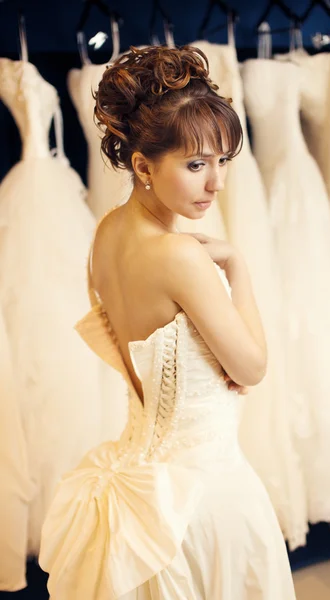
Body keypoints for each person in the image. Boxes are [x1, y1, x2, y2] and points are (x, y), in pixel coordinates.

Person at [38, 45, 296, 600]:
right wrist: (238, 267)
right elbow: (250, 368)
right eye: (196, 164)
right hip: (202, 496)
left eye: (223, 161)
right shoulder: (181, 257)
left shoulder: (106, 234)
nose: (216, 184)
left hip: (144, 483)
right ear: (142, 165)